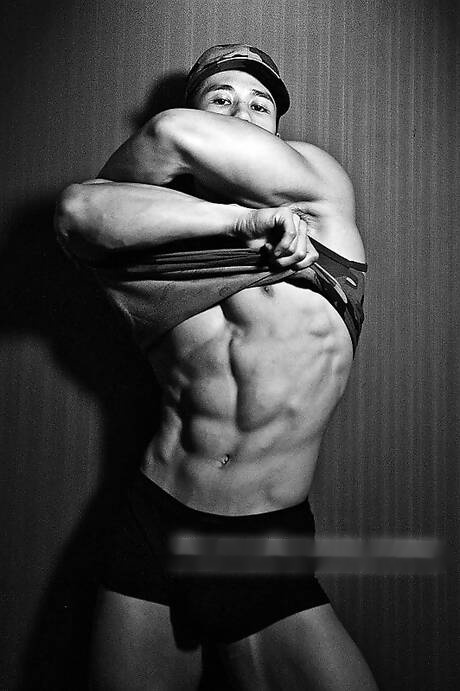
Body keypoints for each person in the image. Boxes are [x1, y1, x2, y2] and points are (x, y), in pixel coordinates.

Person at [56, 44, 377, 690]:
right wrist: (240, 221)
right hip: (154, 518)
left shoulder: (320, 192)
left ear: (278, 132)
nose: (240, 114)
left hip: (259, 539)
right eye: (221, 99)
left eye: (260, 106)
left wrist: (236, 195)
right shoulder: (161, 233)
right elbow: (76, 212)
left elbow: (173, 135)